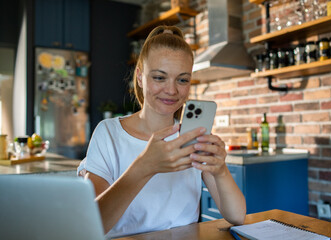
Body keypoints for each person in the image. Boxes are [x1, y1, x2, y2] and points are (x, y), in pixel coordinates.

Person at [77, 25, 246, 239]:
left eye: (182, 80)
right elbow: (93, 224)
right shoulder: (108, 133)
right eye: (159, 77)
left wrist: (220, 170)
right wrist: (144, 167)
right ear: (139, 77)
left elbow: (237, 216)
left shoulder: (193, 138)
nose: (172, 90)